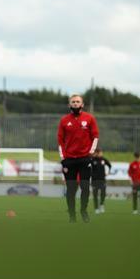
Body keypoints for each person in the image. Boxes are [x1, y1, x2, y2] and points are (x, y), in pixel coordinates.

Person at [57, 94, 99, 223]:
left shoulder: (90, 118)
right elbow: (60, 141)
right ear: (69, 105)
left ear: (82, 104)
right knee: (70, 189)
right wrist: (63, 157)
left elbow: (95, 137)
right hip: (69, 160)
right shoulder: (64, 120)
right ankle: (72, 215)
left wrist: (90, 153)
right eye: (73, 102)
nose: (75, 103)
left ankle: (83, 211)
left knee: (85, 187)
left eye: (77, 101)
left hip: (84, 159)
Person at [91, 148, 111, 214]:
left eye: (101, 152)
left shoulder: (103, 159)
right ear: (96, 153)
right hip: (94, 180)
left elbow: (109, 165)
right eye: (99, 153)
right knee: (95, 195)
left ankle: (102, 205)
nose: (101, 154)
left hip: (102, 179)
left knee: (103, 193)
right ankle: (96, 208)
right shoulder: (92, 160)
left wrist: (108, 172)